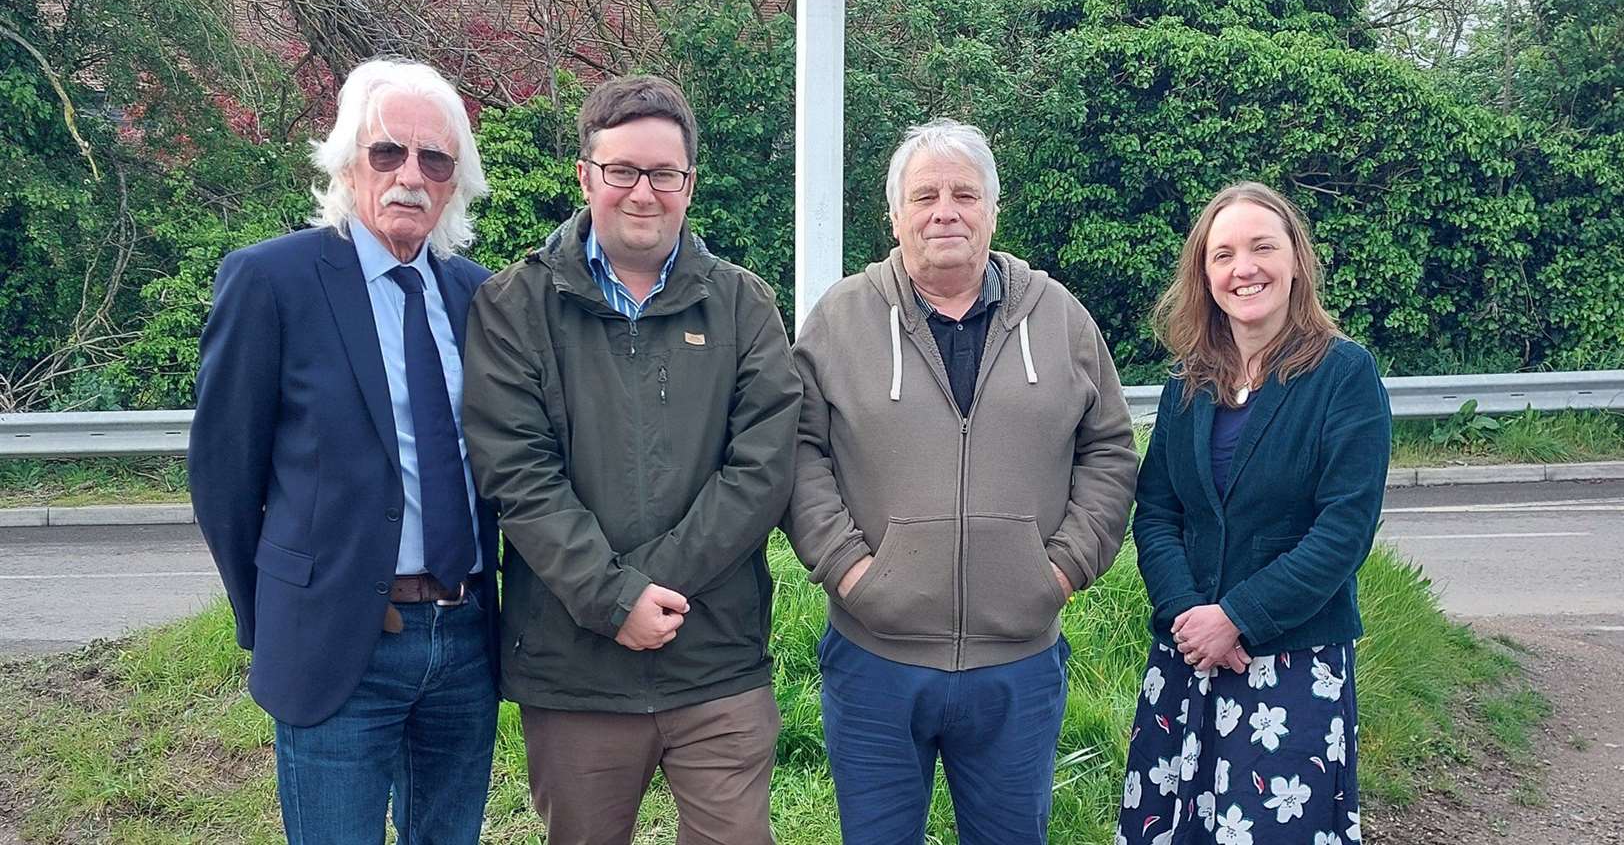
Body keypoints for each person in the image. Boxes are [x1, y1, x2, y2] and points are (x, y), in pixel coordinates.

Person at [461, 75, 800, 845]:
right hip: (573, 669)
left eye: (664, 174)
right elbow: (518, 474)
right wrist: (614, 601)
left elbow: (762, 469)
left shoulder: (745, 306)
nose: (642, 192)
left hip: (714, 661)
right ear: (586, 175)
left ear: (690, 183)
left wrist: (652, 589)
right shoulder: (514, 305)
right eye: (622, 170)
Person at [782, 119, 1139, 845]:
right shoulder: (840, 319)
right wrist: (851, 570)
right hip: (874, 660)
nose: (945, 209)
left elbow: (1107, 450)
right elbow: (796, 453)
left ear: (992, 210)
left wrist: (1061, 570)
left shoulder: (1061, 318)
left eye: (964, 194)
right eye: (925, 196)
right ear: (895, 216)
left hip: (1019, 666)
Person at [188, 57, 499, 844]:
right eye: (387, 152)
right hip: (337, 642)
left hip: (463, 642)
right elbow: (224, 473)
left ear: (454, 180)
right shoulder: (272, 280)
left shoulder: (478, 297)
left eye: (435, 160)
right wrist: (277, 616)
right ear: (346, 161)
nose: (410, 176)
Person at [1120, 181, 1390, 845]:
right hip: (1186, 662)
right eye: (1223, 254)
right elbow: (1155, 513)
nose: (1244, 268)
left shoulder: (1344, 375)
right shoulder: (1188, 383)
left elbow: (1343, 532)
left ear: (1295, 259)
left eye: (1262, 247)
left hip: (1292, 670)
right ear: (1205, 273)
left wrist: (1237, 618)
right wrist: (1190, 617)